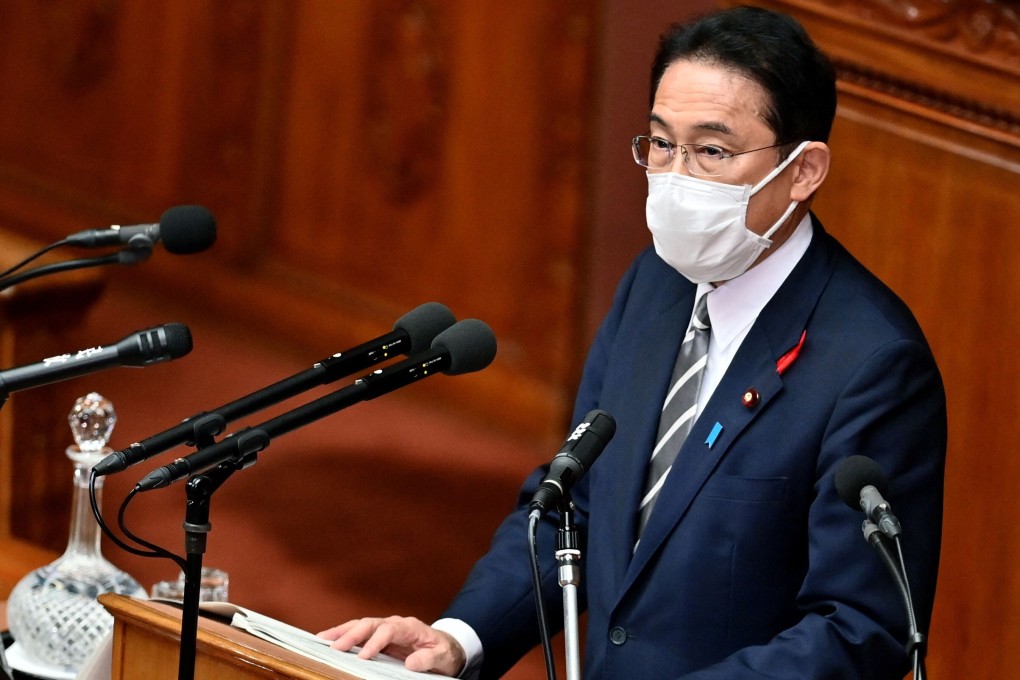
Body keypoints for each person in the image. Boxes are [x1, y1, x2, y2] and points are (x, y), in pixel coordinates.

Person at [317, 6, 947, 678]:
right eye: (661, 144)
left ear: (803, 171)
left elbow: (857, 630)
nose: (676, 178)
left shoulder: (873, 364)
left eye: (711, 150)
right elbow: (575, 505)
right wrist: (461, 638)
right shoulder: (656, 283)